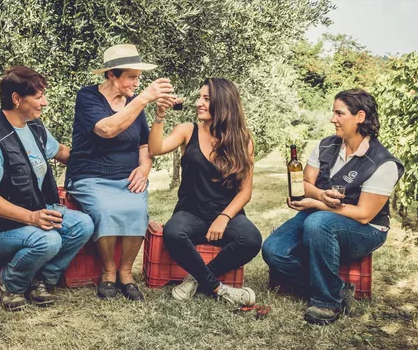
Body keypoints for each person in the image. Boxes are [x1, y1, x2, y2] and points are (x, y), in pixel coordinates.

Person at [261, 89, 404, 325]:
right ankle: (337, 288)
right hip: (319, 216)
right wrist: (319, 195)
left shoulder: (382, 162)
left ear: (360, 116)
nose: (332, 119)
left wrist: (318, 204)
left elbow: (364, 214)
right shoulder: (326, 145)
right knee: (274, 249)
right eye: (332, 112)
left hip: (365, 229)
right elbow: (305, 183)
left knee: (318, 223)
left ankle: (326, 302)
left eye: (339, 113)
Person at [0, 66, 94, 311]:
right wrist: (32, 218)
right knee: (49, 240)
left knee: (82, 224)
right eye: (38, 96)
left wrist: (103, 160)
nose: (44, 102)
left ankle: (41, 280)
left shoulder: (34, 126)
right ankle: (9, 285)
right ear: (16, 99)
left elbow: (63, 153)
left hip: (31, 213)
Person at [66, 44, 174, 301]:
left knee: (136, 209)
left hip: (126, 176)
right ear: (112, 75)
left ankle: (126, 274)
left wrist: (145, 168)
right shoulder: (88, 97)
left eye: (138, 77)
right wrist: (144, 98)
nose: (137, 82)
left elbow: (145, 144)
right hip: (89, 175)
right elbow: (106, 129)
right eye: (131, 77)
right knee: (106, 209)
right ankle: (108, 273)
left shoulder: (134, 105)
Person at [148, 78, 261, 305]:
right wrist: (159, 115)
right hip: (191, 213)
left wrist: (224, 217)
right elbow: (155, 148)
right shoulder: (187, 130)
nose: (199, 102)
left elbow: (245, 192)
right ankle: (217, 288)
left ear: (223, 103)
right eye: (200, 97)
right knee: (172, 232)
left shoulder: (243, 140)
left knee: (251, 239)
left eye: (206, 99)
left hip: (227, 214)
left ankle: (195, 279)